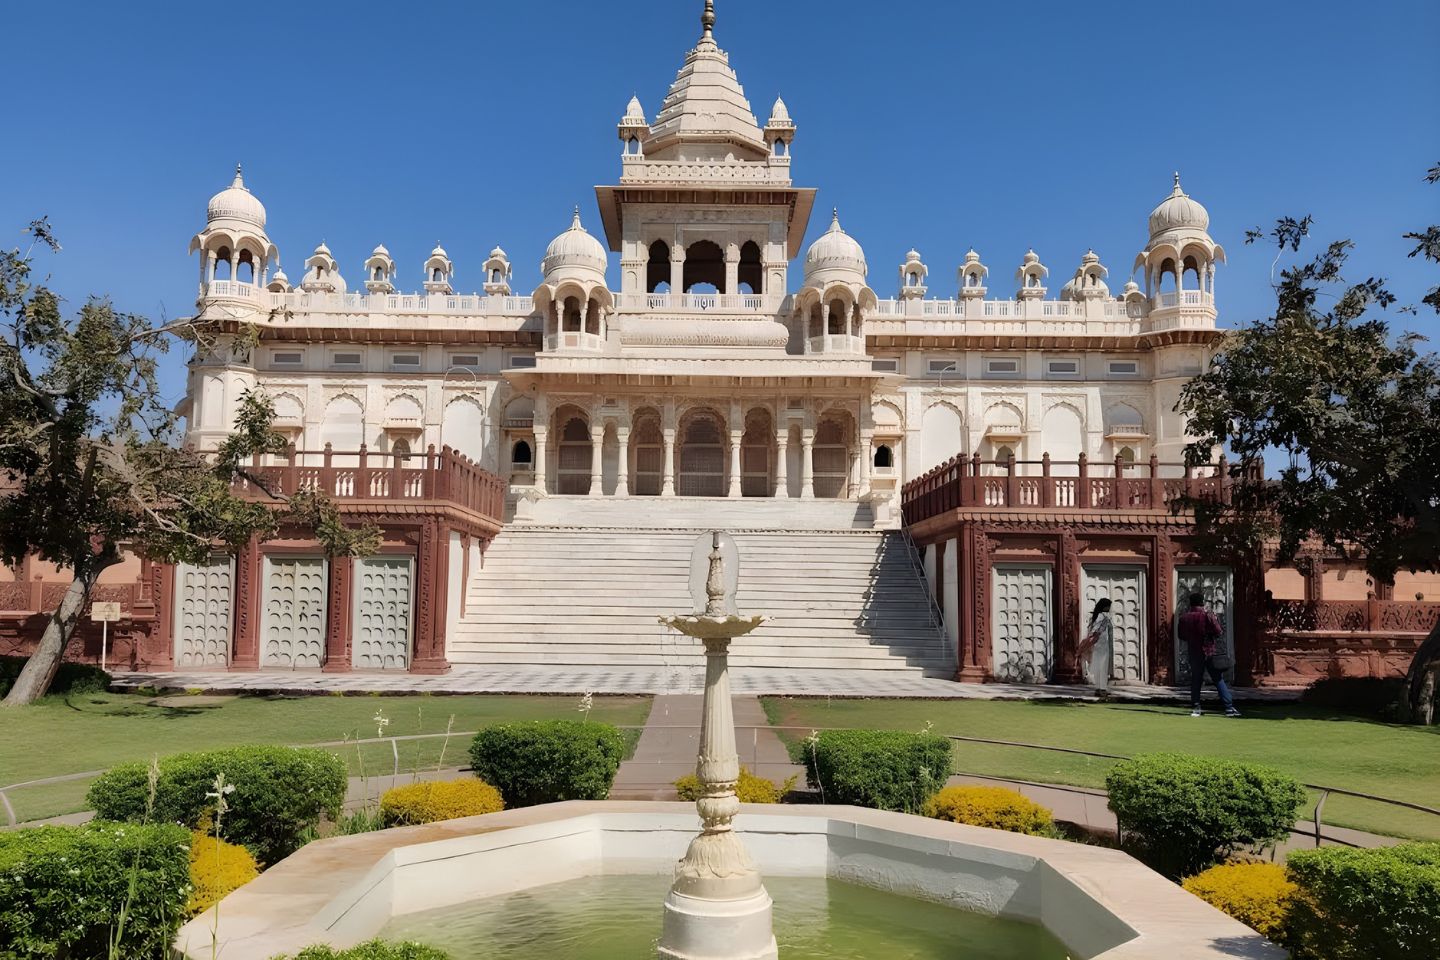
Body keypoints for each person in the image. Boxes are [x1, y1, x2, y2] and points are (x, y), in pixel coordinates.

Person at [1178, 592, 1240, 717]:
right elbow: (1218, 631)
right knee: (1217, 678)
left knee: (1196, 679)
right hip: (1209, 652)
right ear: (1202, 602)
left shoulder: (1184, 618)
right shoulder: (1207, 615)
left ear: (1191, 603)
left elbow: (1182, 636)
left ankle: (1196, 707)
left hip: (1194, 652)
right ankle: (1228, 708)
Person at [1077, 598, 1112, 687]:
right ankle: (1101, 689)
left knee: (1099, 667)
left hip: (1099, 644)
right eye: (1108, 606)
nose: (1109, 608)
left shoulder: (1098, 616)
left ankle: (1099, 689)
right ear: (1104, 606)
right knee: (1102, 668)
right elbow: (1095, 630)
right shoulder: (1102, 617)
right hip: (1101, 645)